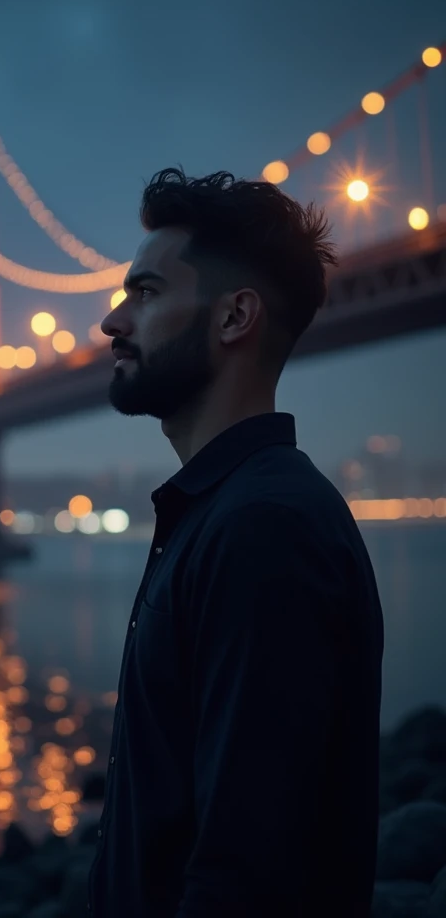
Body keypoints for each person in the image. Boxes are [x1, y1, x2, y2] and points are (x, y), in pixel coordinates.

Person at [87, 169, 384, 918]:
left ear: (234, 318)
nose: (112, 323)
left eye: (145, 293)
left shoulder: (264, 529)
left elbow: (249, 871)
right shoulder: (222, 514)